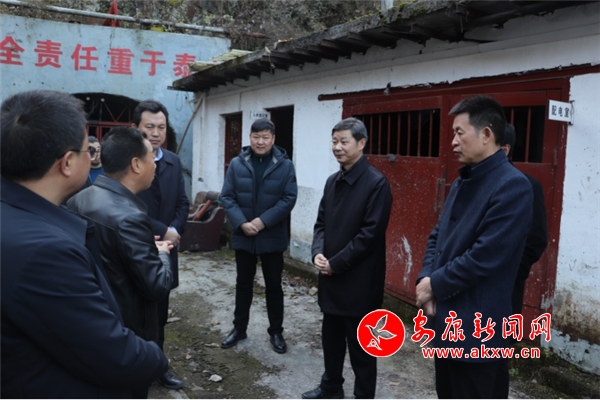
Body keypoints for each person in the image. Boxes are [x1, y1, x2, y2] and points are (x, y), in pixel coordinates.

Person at [1, 90, 167, 399]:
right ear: (67, 163)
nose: (92, 158)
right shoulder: (46, 254)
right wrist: (156, 357)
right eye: (86, 151)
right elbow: (115, 356)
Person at [415, 96, 533, 399]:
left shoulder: (512, 185)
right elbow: (437, 237)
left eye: (459, 132)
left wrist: (435, 285)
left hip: (478, 331)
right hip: (446, 320)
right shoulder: (462, 181)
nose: (453, 141)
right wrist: (425, 279)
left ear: (486, 134)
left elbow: (485, 256)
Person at [67, 126, 174, 398]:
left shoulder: (78, 198)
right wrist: (162, 253)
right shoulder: (131, 218)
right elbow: (157, 286)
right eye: (151, 158)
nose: (155, 165)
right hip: (128, 332)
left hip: (93, 322)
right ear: (136, 164)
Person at [302, 118, 393, 400]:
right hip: (330, 276)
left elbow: (369, 235)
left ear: (361, 143)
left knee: (362, 346)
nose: (337, 147)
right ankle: (331, 386)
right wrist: (318, 252)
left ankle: (364, 395)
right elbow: (320, 224)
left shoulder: (377, 183)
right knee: (331, 338)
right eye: (334, 141)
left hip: (360, 281)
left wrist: (336, 263)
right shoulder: (333, 181)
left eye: (344, 141)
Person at [220, 118, 297, 353]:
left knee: (274, 286)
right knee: (243, 284)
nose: (260, 141)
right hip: (244, 235)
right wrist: (241, 223)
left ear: (273, 139)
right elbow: (227, 197)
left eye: (265, 137)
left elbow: (289, 198)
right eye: (256, 137)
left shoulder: (285, 165)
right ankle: (239, 329)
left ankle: (276, 333)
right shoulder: (237, 164)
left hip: (272, 236)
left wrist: (263, 221)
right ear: (250, 138)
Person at [133, 100, 190, 389]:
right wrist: (163, 230)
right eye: (149, 127)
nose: (156, 133)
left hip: (167, 250)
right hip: (136, 248)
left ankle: (159, 366)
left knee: (160, 315)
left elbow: (182, 202)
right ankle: (135, 369)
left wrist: (175, 230)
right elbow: (125, 206)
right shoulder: (127, 161)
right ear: (135, 128)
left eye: (161, 127)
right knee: (134, 313)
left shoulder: (173, 161)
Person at [501, 124, 548, 317]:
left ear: (504, 150)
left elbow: (537, 239)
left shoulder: (528, 185)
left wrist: (512, 272)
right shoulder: (469, 183)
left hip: (506, 287)